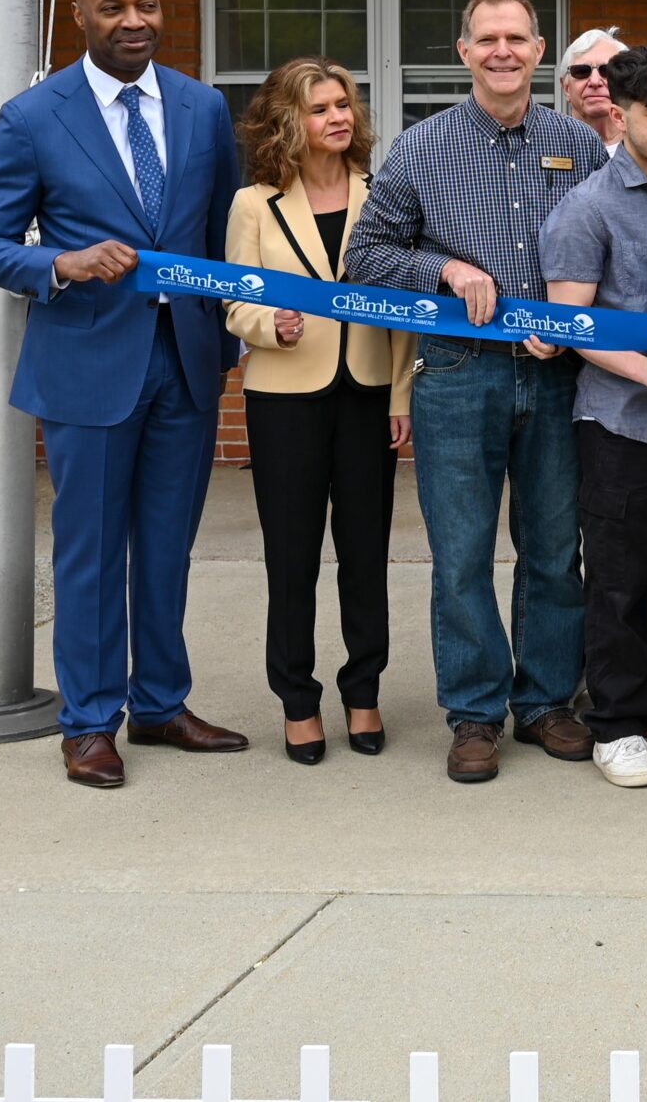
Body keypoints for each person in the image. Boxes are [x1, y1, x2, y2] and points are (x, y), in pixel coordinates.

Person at [0, 0, 249, 788]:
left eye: (148, 5)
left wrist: (225, 346)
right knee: (90, 553)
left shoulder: (202, 106)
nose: (135, 20)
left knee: (167, 547)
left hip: (187, 366)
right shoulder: (32, 115)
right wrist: (64, 261)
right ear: (79, 17)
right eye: (114, 7)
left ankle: (160, 703)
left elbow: (218, 238)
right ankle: (89, 721)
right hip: (87, 364)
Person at [343, 0, 607, 784]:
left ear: (538, 51)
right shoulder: (421, 149)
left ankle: (547, 701)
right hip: (458, 376)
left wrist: (574, 320)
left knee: (556, 551)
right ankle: (475, 712)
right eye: (486, 38)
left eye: (517, 38)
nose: (502, 51)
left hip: (560, 379)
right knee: (461, 554)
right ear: (463, 52)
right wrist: (445, 268)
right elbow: (365, 257)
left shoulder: (580, 146)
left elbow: (612, 248)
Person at [223, 58, 415, 766]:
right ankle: (297, 702)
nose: (338, 117)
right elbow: (234, 298)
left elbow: (401, 312)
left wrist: (400, 397)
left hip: (368, 395)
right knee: (292, 556)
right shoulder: (254, 203)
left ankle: (363, 691)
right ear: (287, 121)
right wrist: (272, 323)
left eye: (344, 105)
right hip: (284, 399)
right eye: (319, 107)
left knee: (365, 555)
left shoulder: (385, 192)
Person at [532, 46, 647, 789]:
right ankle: (618, 724)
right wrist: (639, 365)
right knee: (618, 580)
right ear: (618, 112)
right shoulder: (586, 207)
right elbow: (567, 324)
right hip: (618, 421)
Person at [558, 26, 626, 155]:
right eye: (581, 71)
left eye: (607, 71)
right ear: (566, 88)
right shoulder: (546, 145)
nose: (595, 81)